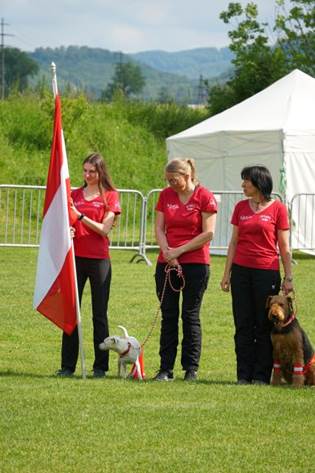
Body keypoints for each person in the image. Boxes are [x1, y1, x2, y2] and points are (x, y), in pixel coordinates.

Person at [220, 165, 293, 385]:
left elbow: (284, 245)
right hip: (241, 272)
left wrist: (288, 277)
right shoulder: (240, 207)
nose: (243, 185)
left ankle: (261, 375)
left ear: (259, 183)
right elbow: (233, 242)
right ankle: (243, 375)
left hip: (266, 272)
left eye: (246, 181)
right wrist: (226, 274)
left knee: (263, 324)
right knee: (242, 323)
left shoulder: (278, 208)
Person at [56, 152, 121, 378]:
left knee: (99, 314)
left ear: (100, 171)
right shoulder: (73, 195)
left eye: (91, 171)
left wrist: (80, 217)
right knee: (72, 311)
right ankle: (67, 365)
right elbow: (65, 223)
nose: (87, 175)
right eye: (84, 171)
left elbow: (104, 229)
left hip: (99, 260)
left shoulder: (110, 196)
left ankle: (100, 367)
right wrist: (69, 229)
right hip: (76, 258)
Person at [154, 158, 217, 381]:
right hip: (167, 262)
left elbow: (208, 233)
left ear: (187, 175)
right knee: (168, 315)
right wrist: (168, 254)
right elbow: (159, 229)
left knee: (190, 315)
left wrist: (178, 251)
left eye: (175, 180)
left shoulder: (204, 196)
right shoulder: (165, 195)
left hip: (196, 263)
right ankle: (165, 368)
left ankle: (191, 368)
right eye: (168, 180)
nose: (171, 184)